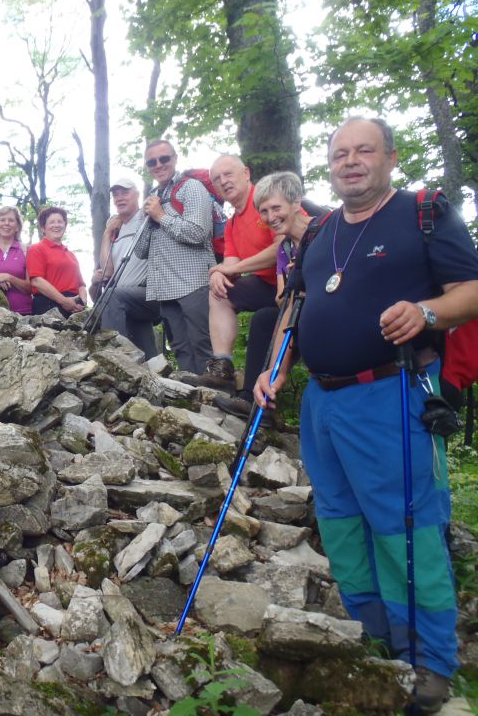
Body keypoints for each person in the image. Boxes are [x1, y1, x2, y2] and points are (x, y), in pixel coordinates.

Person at [254, 117, 478, 714]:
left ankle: (428, 660)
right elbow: (297, 306)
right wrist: (275, 365)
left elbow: (472, 290)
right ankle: (373, 635)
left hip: (390, 393)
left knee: (404, 526)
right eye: (340, 154)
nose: (350, 162)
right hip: (322, 403)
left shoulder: (422, 212)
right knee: (341, 524)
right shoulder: (321, 229)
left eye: (364, 151)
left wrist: (427, 313)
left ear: (390, 158)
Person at [213, 171, 313, 422]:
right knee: (265, 318)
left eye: (276, 208)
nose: (270, 218)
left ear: (296, 204)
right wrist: (292, 281)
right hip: (298, 307)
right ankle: (254, 398)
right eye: (264, 212)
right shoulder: (285, 249)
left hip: (326, 309)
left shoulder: (323, 232)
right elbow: (282, 299)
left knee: (275, 317)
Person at [188, 155, 279, 391]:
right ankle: (222, 367)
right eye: (217, 179)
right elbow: (230, 264)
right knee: (220, 291)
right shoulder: (231, 225)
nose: (224, 181)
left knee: (263, 320)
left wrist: (230, 269)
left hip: (292, 282)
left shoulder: (268, 198)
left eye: (228, 174)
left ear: (246, 173)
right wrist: (219, 275)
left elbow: (283, 247)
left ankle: (254, 395)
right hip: (266, 284)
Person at [132, 140, 215, 374]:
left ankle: (215, 401)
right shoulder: (152, 198)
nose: (158, 165)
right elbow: (140, 251)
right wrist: (150, 215)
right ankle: (193, 402)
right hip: (165, 288)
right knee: (180, 348)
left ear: (175, 159)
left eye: (164, 159)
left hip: (194, 283)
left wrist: (161, 215)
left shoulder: (192, 188)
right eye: (152, 162)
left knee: (203, 345)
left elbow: (199, 233)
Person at [91, 178, 164, 358]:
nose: (119, 198)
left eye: (125, 192)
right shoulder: (114, 226)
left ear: (137, 195)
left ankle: (114, 357)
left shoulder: (144, 217)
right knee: (148, 357)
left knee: (110, 296)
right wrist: (107, 233)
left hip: (148, 292)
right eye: (115, 194)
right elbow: (107, 272)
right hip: (127, 300)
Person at [26, 206, 87, 318]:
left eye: (60, 222)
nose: (57, 225)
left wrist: (82, 303)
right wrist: (64, 301)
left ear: (65, 225)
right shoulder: (37, 249)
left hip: (74, 308)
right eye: (52, 222)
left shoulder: (71, 255)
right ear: (43, 228)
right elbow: (37, 281)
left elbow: (81, 285)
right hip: (48, 305)